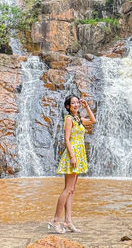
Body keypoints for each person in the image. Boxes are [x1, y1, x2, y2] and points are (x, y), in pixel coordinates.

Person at [48, 94, 96, 233]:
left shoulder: (78, 119)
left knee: (72, 190)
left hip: (80, 155)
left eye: (77, 102)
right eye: (73, 103)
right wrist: (73, 156)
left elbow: (93, 120)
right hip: (73, 155)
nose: (76, 104)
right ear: (68, 106)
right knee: (67, 189)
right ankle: (55, 220)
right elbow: (67, 139)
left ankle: (68, 221)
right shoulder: (69, 119)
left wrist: (86, 106)